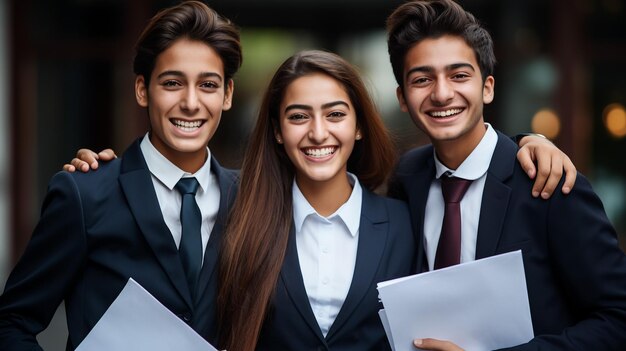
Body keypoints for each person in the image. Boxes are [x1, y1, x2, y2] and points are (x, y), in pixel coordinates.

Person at [0, 1, 242, 349]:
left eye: (208, 85)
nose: (191, 102)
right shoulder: (85, 193)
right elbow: (11, 322)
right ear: (142, 89)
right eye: (172, 83)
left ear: (227, 95)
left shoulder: (250, 199)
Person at [385, 1, 626, 350]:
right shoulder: (406, 178)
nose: (441, 93)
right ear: (403, 98)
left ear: (487, 87)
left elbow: (618, 317)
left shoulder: (548, 182)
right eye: (422, 79)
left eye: (459, 75)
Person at [214, 49, 414, 350]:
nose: (318, 133)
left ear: (358, 125)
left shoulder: (405, 222)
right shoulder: (241, 217)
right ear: (278, 131)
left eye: (335, 114)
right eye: (298, 117)